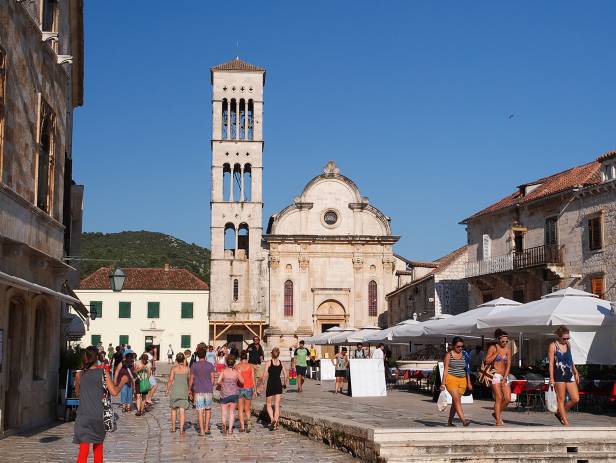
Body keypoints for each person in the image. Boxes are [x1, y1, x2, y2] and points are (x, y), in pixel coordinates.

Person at [74, 346, 129, 463]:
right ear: (97, 358)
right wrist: (122, 382)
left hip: (83, 416)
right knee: (98, 449)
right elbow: (114, 392)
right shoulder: (102, 373)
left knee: (83, 451)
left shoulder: (79, 375)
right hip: (98, 416)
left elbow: (77, 393)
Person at [548, 325, 580, 426]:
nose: (566, 340)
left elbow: (570, 360)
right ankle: (566, 422)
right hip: (559, 375)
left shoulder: (568, 344)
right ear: (559, 336)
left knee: (575, 398)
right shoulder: (553, 346)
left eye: (568, 338)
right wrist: (551, 378)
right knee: (560, 399)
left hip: (569, 374)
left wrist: (576, 372)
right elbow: (551, 363)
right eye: (564, 338)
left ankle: (559, 413)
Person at [441, 337, 472, 427]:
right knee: (457, 400)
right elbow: (446, 370)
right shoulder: (448, 355)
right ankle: (463, 420)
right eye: (458, 346)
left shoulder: (465, 354)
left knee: (455, 402)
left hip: (462, 380)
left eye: (462, 346)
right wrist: (443, 383)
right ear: (453, 346)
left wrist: (469, 382)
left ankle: (450, 422)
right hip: (451, 379)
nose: (460, 348)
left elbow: (467, 369)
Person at [484, 329, 512, 426]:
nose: (505, 343)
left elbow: (508, 364)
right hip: (495, 374)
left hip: (504, 375)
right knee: (499, 397)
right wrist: (497, 353)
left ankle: (496, 413)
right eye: (503, 341)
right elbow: (487, 361)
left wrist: (505, 377)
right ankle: (498, 421)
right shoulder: (493, 347)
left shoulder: (508, 349)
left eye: (506, 341)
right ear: (498, 340)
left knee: (508, 398)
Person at [189, 347, 216, 436]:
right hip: (208, 390)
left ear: (197, 356)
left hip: (198, 390)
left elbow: (191, 379)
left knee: (200, 410)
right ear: (205, 355)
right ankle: (207, 428)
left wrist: (189, 389)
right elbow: (212, 377)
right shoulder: (210, 365)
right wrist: (211, 386)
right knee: (208, 409)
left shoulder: (194, 365)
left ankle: (201, 431)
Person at [260, 347, 287, 430]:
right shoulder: (281, 363)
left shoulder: (268, 362)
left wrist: (262, 383)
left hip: (271, 384)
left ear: (272, 353)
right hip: (278, 384)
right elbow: (286, 375)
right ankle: (275, 421)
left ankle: (272, 420)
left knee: (268, 405)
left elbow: (264, 375)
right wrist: (284, 384)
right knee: (277, 405)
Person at [217, 354, 243, 436]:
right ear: (234, 363)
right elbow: (242, 381)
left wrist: (222, 384)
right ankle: (231, 430)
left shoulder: (223, 371)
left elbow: (218, 381)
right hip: (234, 394)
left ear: (226, 363)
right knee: (232, 412)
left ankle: (224, 425)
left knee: (224, 412)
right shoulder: (236, 372)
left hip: (224, 394)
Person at [166, 352, 191, 434]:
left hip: (175, 391)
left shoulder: (173, 369)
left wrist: (167, 390)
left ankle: (173, 428)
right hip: (184, 391)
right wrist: (190, 391)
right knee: (182, 411)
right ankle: (181, 430)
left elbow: (170, 380)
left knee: (173, 410)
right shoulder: (187, 369)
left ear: (176, 360)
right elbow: (189, 380)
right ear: (184, 360)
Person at [236, 351, 256, 432]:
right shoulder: (251, 366)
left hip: (240, 388)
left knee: (240, 409)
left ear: (240, 358)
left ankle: (242, 427)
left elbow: (235, 378)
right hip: (249, 388)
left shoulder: (237, 366)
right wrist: (255, 390)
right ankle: (248, 422)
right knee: (247, 408)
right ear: (246, 358)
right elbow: (253, 379)